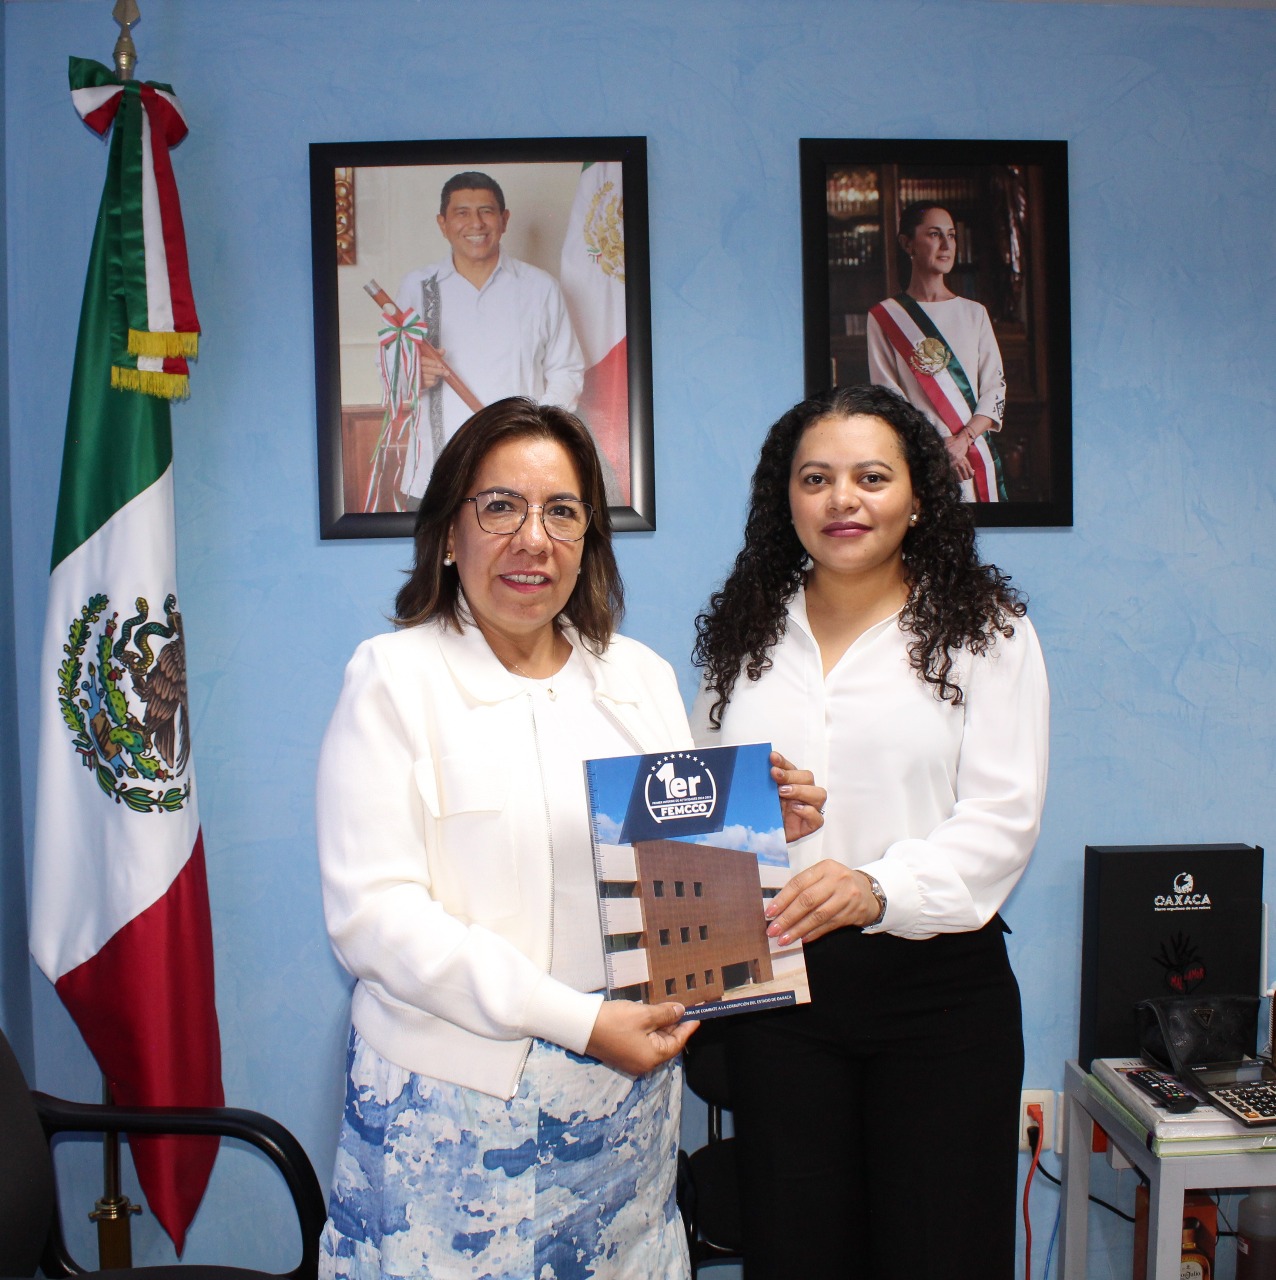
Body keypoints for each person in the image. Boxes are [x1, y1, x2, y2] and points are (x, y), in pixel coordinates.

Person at [316, 397, 823, 1280]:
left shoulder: (638, 677)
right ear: (449, 534)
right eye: (500, 507)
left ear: (588, 538)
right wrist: (577, 1021)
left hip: (623, 1112)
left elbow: (674, 877)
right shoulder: (393, 679)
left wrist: (754, 836)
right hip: (451, 1122)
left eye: (562, 511)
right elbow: (375, 919)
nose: (533, 539)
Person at [690, 383, 1049, 1279]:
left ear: (919, 495)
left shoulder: (987, 633)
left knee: (940, 1252)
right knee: (796, 1251)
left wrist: (876, 888)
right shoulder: (741, 636)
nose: (841, 499)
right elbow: (695, 816)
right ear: (785, 500)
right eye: (815, 478)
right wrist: (749, 819)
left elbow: (1004, 817)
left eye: (872, 477)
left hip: (939, 999)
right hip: (777, 1002)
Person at [390, 172, 585, 498]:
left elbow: (567, 372)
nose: (476, 223)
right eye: (462, 212)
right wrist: (413, 375)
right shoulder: (417, 288)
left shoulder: (540, 288)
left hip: (518, 474)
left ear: (504, 220)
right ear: (442, 223)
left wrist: (530, 433)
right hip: (435, 476)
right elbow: (391, 373)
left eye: (486, 211)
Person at [867, 201, 1008, 502]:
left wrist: (963, 440)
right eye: (934, 234)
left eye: (951, 235)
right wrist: (939, 447)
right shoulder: (885, 316)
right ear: (908, 244)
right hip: (920, 457)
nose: (946, 245)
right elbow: (888, 397)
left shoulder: (975, 314)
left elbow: (995, 389)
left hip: (972, 458)